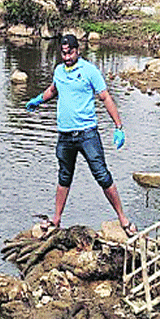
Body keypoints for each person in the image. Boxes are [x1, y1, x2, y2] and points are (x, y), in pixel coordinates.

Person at [25, 34, 136, 237]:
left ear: (78, 50)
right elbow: (53, 89)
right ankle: (56, 219)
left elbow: (105, 97)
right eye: (64, 53)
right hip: (65, 135)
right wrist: (38, 100)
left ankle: (123, 218)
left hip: (87, 134)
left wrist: (119, 126)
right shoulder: (59, 70)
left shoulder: (89, 71)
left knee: (102, 175)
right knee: (64, 176)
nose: (67, 57)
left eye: (71, 53)